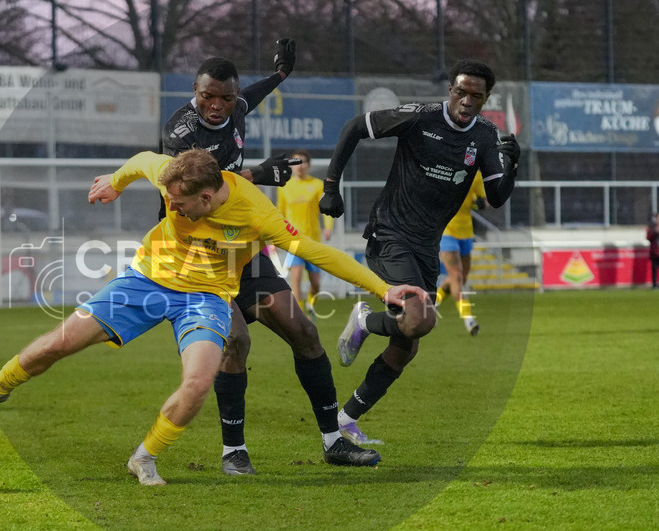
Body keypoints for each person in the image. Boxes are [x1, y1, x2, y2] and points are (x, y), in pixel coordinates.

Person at [0, 149, 425, 486]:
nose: (169, 206)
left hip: (207, 297)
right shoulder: (173, 174)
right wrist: (114, 181)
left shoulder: (256, 213)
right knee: (57, 343)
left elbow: (317, 251)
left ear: (209, 198)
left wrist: (383, 289)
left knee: (198, 383)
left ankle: (143, 457)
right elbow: (139, 164)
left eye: (178, 204)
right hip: (145, 282)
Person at [162, 42, 381, 475]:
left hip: (243, 251)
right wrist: (260, 173)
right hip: (198, 258)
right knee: (236, 341)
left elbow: (250, 97)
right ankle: (233, 452)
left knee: (304, 331)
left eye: (227, 97)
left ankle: (333, 441)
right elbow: (198, 189)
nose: (217, 105)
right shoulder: (180, 133)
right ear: (195, 90)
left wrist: (280, 77)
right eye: (209, 96)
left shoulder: (235, 106)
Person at [317, 59, 520, 445]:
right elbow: (354, 128)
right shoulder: (420, 117)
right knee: (420, 319)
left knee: (406, 346)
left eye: (476, 95)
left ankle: (345, 420)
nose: (466, 100)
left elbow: (496, 196)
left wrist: (512, 164)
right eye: (461, 91)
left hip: (427, 247)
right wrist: (331, 186)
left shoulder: (488, 136)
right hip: (390, 234)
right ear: (450, 91)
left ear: (485, 98)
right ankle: (363, 323)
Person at [276, 149, 333, 320]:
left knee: (315, 283)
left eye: (302, 162)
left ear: (309, 165)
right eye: (295, 163)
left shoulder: (317, 185)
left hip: (313, 240)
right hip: (293, 241)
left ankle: (310, 301)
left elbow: (326, 210)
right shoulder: (284, 187)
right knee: (296, 276)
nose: (299, 166)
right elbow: (281, 213)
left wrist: (328, 227)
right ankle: (300, 315)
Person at [436, 171, 487, 335]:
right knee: (457, 276)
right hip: (446, 231)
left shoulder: (476, 174)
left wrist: (480, 203)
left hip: (466, 233)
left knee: (457, 279)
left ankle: (431, 305)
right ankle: (468, 319)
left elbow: (485, 202)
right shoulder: (444, 169)